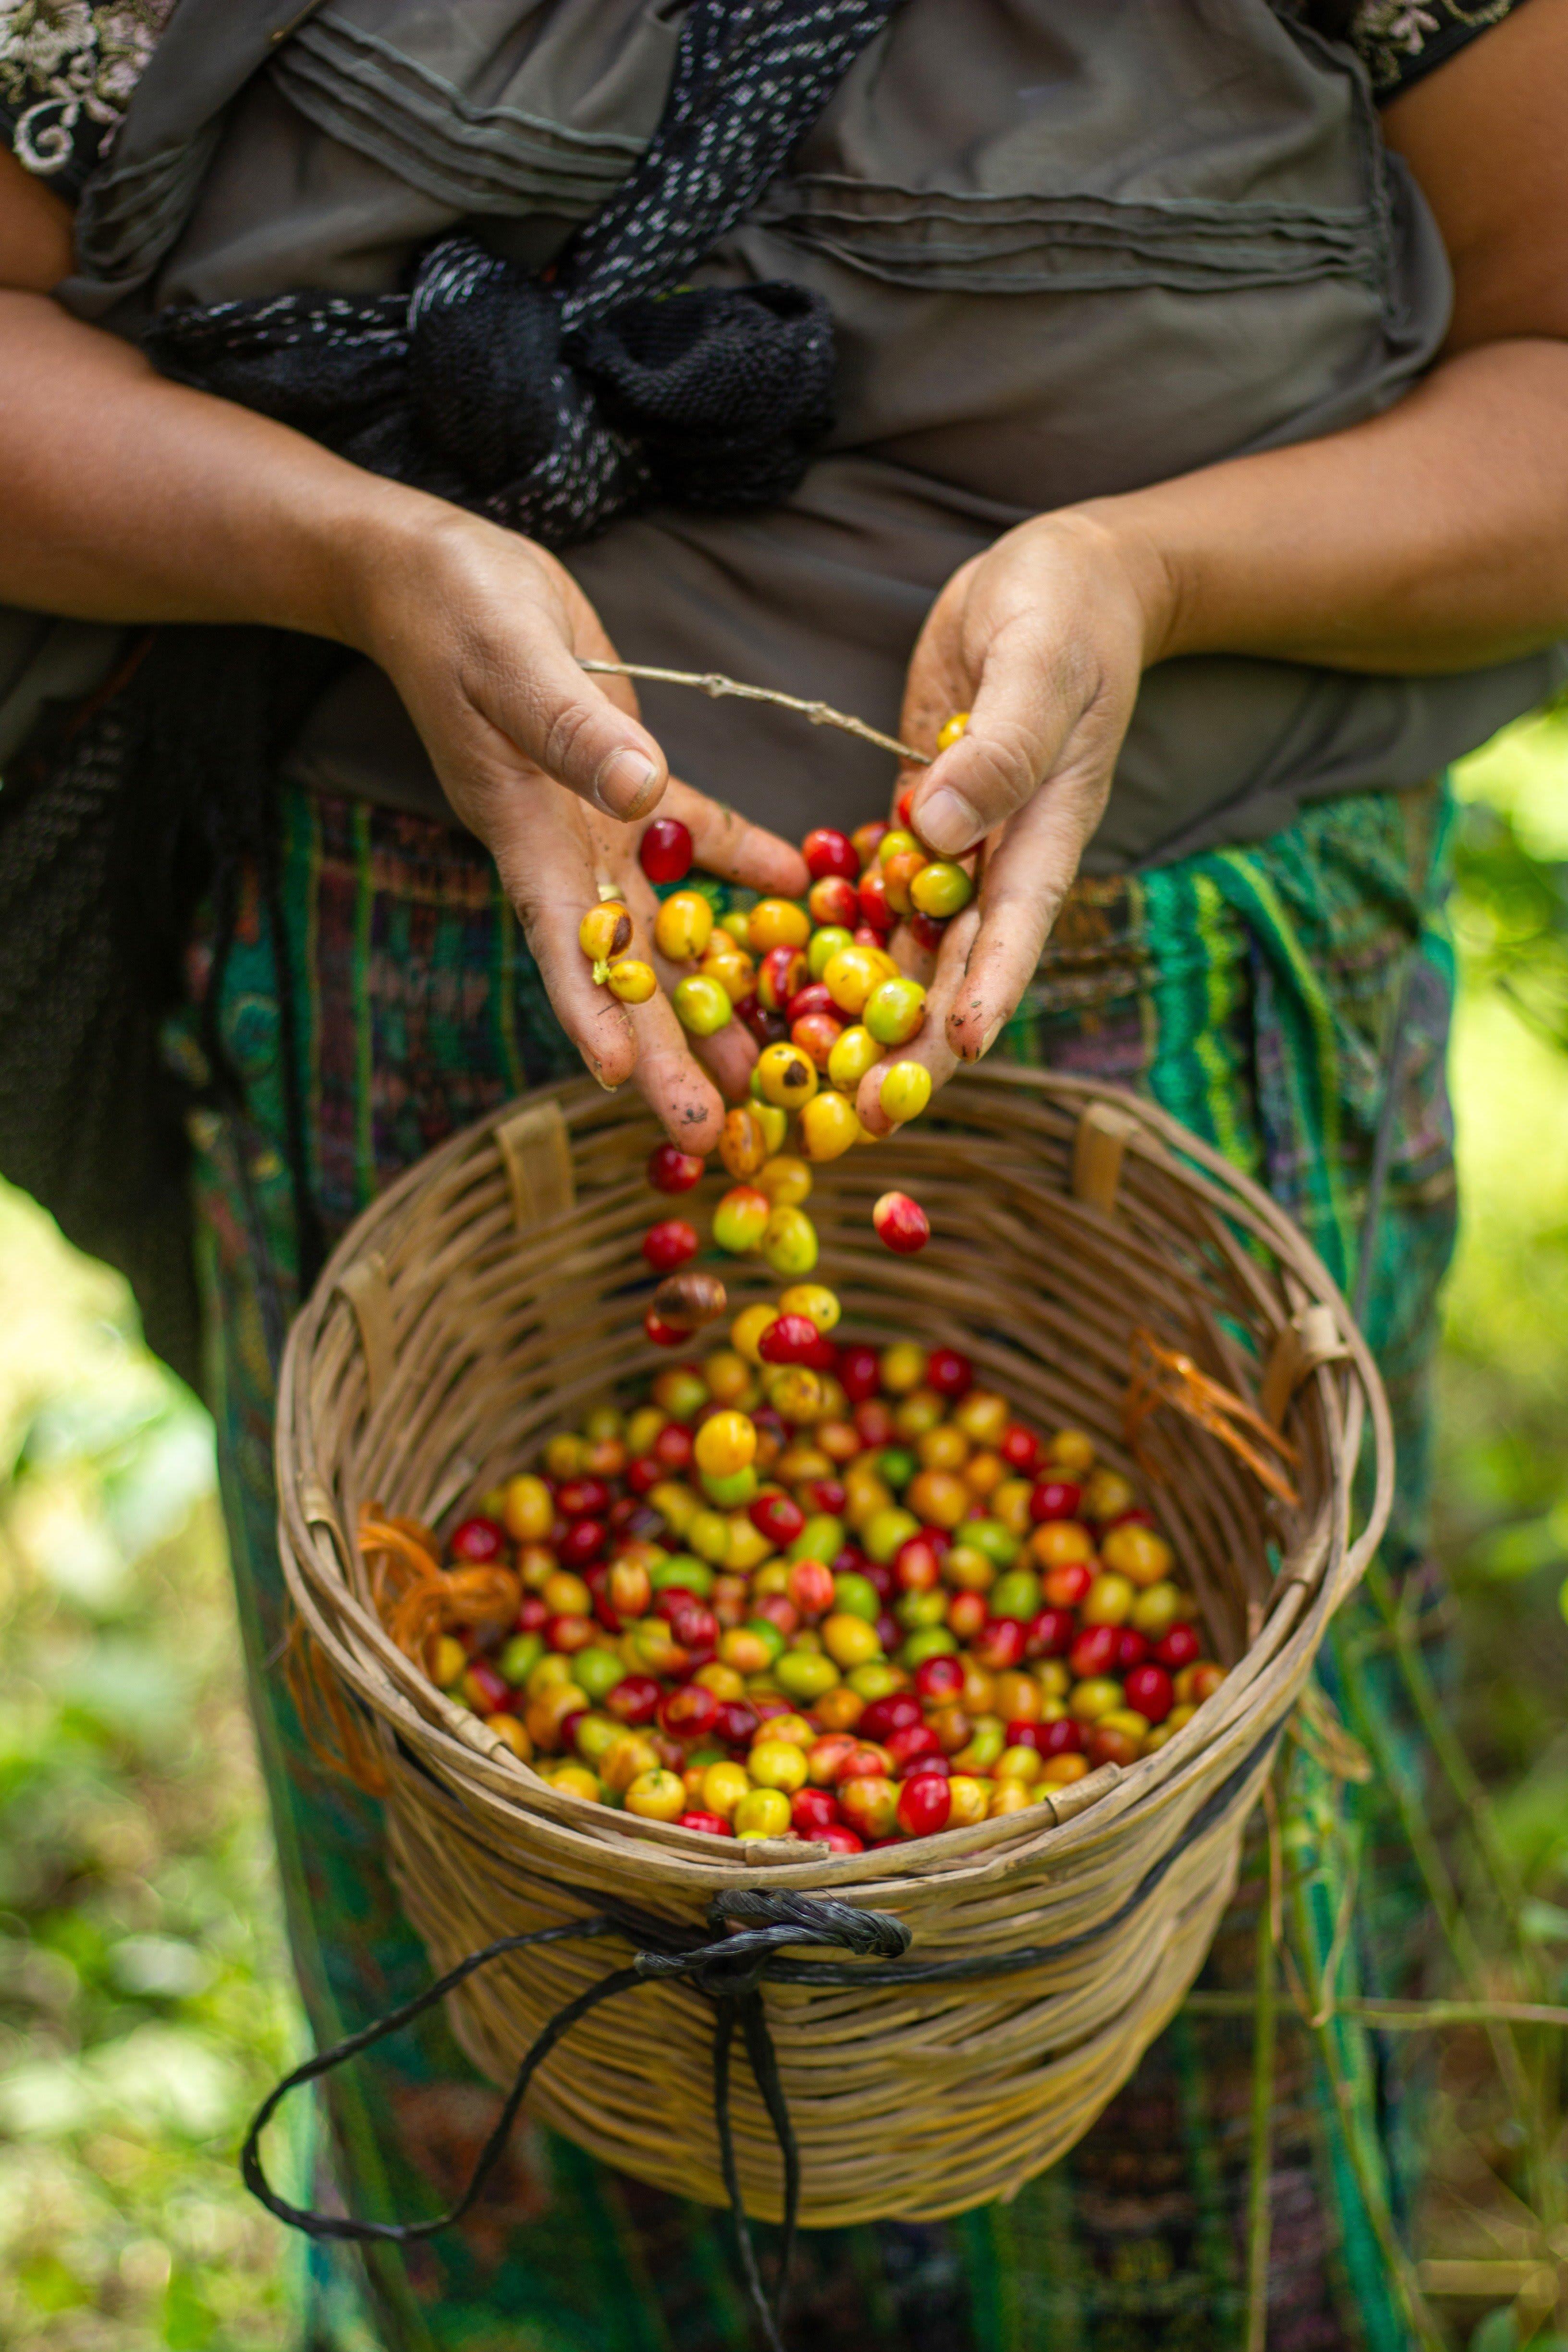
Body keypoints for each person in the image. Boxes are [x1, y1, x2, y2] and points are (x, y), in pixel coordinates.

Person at [1, 1, 1565, 2343]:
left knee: (1186, 2058)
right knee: (522, 2044)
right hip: (428, 1036)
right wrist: (355, 553)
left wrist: (1140, 575)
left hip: (1171, 1047)